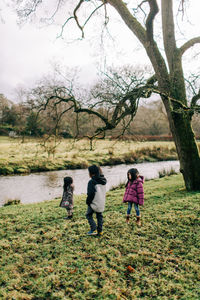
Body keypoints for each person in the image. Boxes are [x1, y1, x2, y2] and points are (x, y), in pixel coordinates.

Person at [86, 165, 107, 236]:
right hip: (101, 201)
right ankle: (100, 231)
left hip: (93, 202)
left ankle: (93, 227)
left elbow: (90, 194)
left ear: (91, 173)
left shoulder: (91, 182)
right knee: (99, 216)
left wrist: (88, 202)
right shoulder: (103, 180)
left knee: (88, 215)